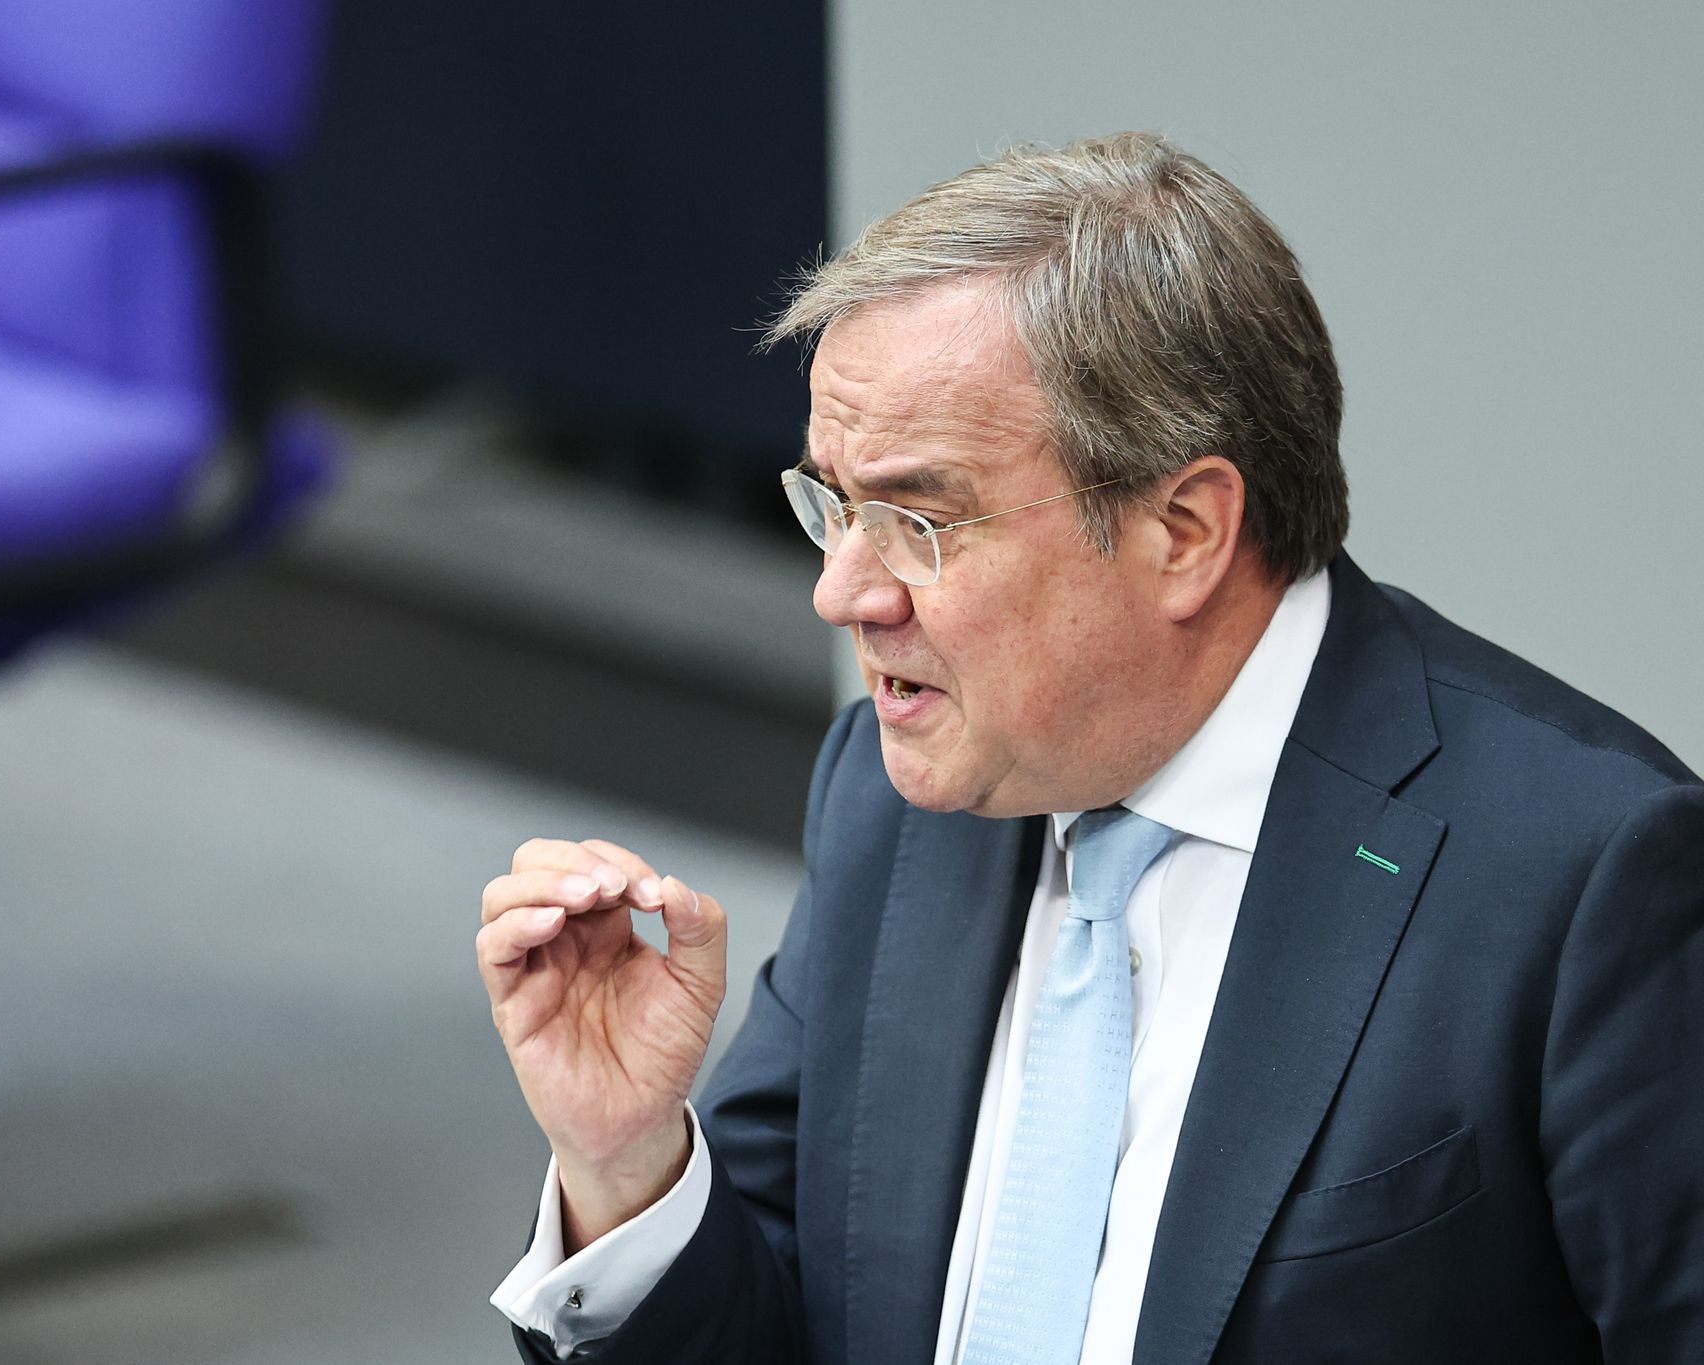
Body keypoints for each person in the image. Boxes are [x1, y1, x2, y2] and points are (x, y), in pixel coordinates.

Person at [474, 132, 1704, 1363]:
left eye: (916, 520)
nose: (840, 590)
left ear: (1184, 530)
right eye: (831, 506)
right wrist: (626, 1168)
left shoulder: (1583, 884)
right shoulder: (891, 796)